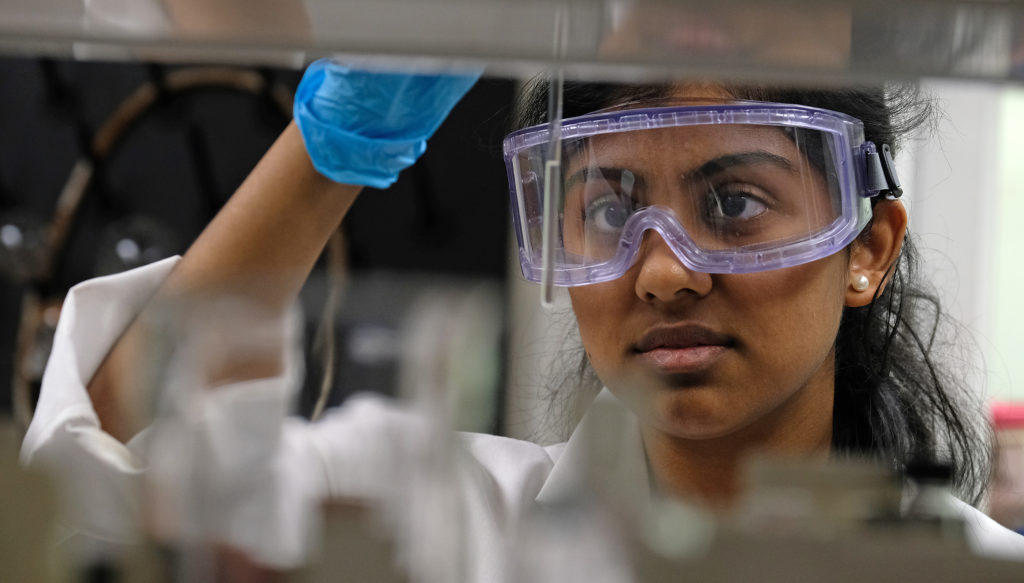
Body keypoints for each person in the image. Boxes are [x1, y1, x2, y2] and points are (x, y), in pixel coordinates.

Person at [20, 58, 1024, 578]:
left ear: (866, 248)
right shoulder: (431, 521)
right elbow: (93, 495)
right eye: (608, 208)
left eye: (733, 204)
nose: (663, 271)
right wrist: (333, 147)